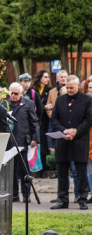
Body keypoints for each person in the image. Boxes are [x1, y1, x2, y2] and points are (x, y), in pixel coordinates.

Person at [48, 75, 92, 210]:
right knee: (61, 170)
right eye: (67, 88)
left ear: (78, 86)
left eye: (71, 87)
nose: (69, 90)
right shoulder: (60, 100)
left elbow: (89, 119)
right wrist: (64, 130)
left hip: (79, 140)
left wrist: (75, 131)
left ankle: (82, 198)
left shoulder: (87, 100)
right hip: (63, 140)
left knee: (81, 171)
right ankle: (62, 199)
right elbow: (54, 118)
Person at [4, 82, 39, 204]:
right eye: (11, 93)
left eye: (16, 93)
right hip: (9, 142)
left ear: (21, 93)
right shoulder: (5, 104)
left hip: (22, 141)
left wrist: (35, 138)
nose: (13, 95)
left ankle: (26, 193)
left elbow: (34, 122)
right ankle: (14, 194)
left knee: (24, 170)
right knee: (11, 171)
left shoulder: (28, 104)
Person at [32, 69, 56, 178]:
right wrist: (43, 107)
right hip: (36, 119)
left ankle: (44, 169)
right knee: (37, 143)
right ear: (40, 77)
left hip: (46, 120)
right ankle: (38, 168)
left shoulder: (49, 90)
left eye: (48, 77)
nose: (47, 79)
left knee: (44, 144)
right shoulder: (33, 90)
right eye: (45, 77)